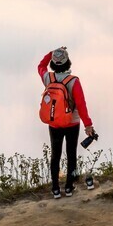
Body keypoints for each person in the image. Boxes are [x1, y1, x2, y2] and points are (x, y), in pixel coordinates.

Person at [38, 46, 95, 198]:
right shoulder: (73, 81)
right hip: (72, 123)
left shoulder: (48, 78)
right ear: (68, 62)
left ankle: (55, 189)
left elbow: (40, 66)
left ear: (53, 63)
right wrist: (88, 125)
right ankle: (69, 187)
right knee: (71, 154)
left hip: (54, 123)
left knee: (55, 155)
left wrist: (52, 53)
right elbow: (81, 105)